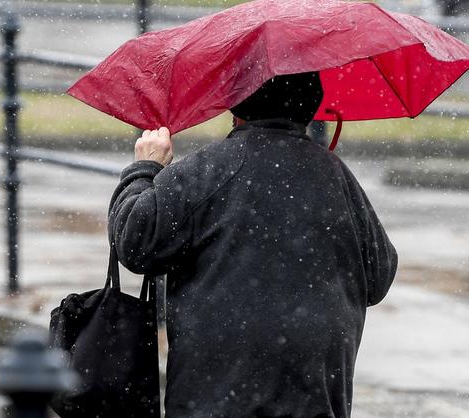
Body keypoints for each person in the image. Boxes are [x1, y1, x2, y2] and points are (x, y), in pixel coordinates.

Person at [107, 71, 398, 418]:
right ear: (310, 109)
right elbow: (378, 276)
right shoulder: (336, 176)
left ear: (236, 106)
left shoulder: (207, 170)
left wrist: (144, 169)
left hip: (215, 397)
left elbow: (135, 241)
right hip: (315, 394)